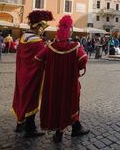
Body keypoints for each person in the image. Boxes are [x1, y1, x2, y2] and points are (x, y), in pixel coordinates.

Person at [35, 15, 89, 143]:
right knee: (71, 104)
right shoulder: (76, 46)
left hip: (54, 83)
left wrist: (49, 69)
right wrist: (75, 68)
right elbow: (83, 59)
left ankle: (64, 132)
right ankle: (70, 130)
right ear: (69, 30)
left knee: (58, 105)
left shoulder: (50, 47)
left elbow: (37, 59)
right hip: (70, 83)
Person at [12, 10, 53, 137]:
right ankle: (30, 128)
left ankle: (20, 124)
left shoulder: (23, 37)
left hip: (22, 74)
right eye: (43, 27)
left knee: (22, 97)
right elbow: (42, 59)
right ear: (39, 26)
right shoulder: (36, 41)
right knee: (31, 99)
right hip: (34, 75)